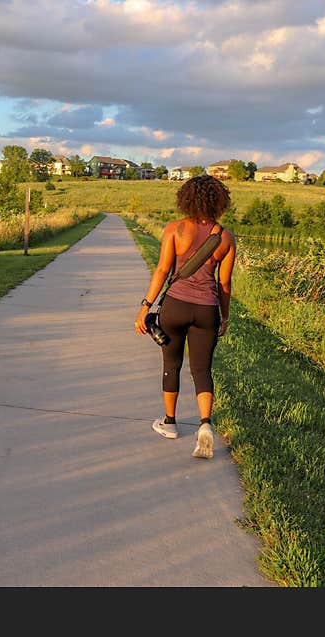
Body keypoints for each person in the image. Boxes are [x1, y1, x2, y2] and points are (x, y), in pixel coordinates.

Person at [133, 175, 236, 459]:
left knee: (172, 363)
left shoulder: (175, 229)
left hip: (175, 307)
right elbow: (224, 284)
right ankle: (205, 425)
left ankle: (170, 423)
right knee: (202, 370)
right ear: (219, 201)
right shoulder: (225, 237)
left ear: (186, 199)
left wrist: (145, 307)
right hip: (207, 310)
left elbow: (162, 271)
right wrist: (224, 318)